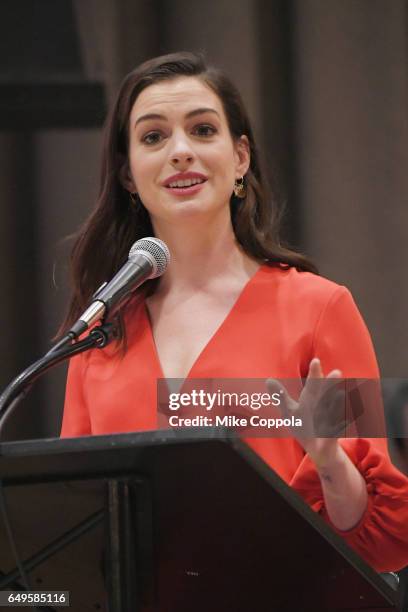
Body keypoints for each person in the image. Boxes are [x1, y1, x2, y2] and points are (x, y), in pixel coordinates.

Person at [60, 51, 408, 574]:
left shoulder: (319, 307)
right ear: (129, 175)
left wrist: (329, 460)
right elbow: (71, 521)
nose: (180, 151)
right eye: (153, 137)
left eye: (202, 130)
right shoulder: (99, 329)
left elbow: (376, 539)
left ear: (240, 157)